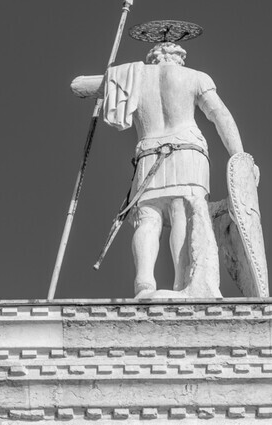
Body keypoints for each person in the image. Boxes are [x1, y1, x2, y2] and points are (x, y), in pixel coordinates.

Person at [103, 42, 245, 297]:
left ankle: (144, 284)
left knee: (148, 219)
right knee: (182, 212)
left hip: (148, 152)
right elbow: (220, 115)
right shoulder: (195, 77)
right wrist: (240, 156)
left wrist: (109, 77)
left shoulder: (131, 79)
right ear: (179, 58)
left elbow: (84, 86)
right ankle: (182, 283)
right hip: (187, 151)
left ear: (153, 58)